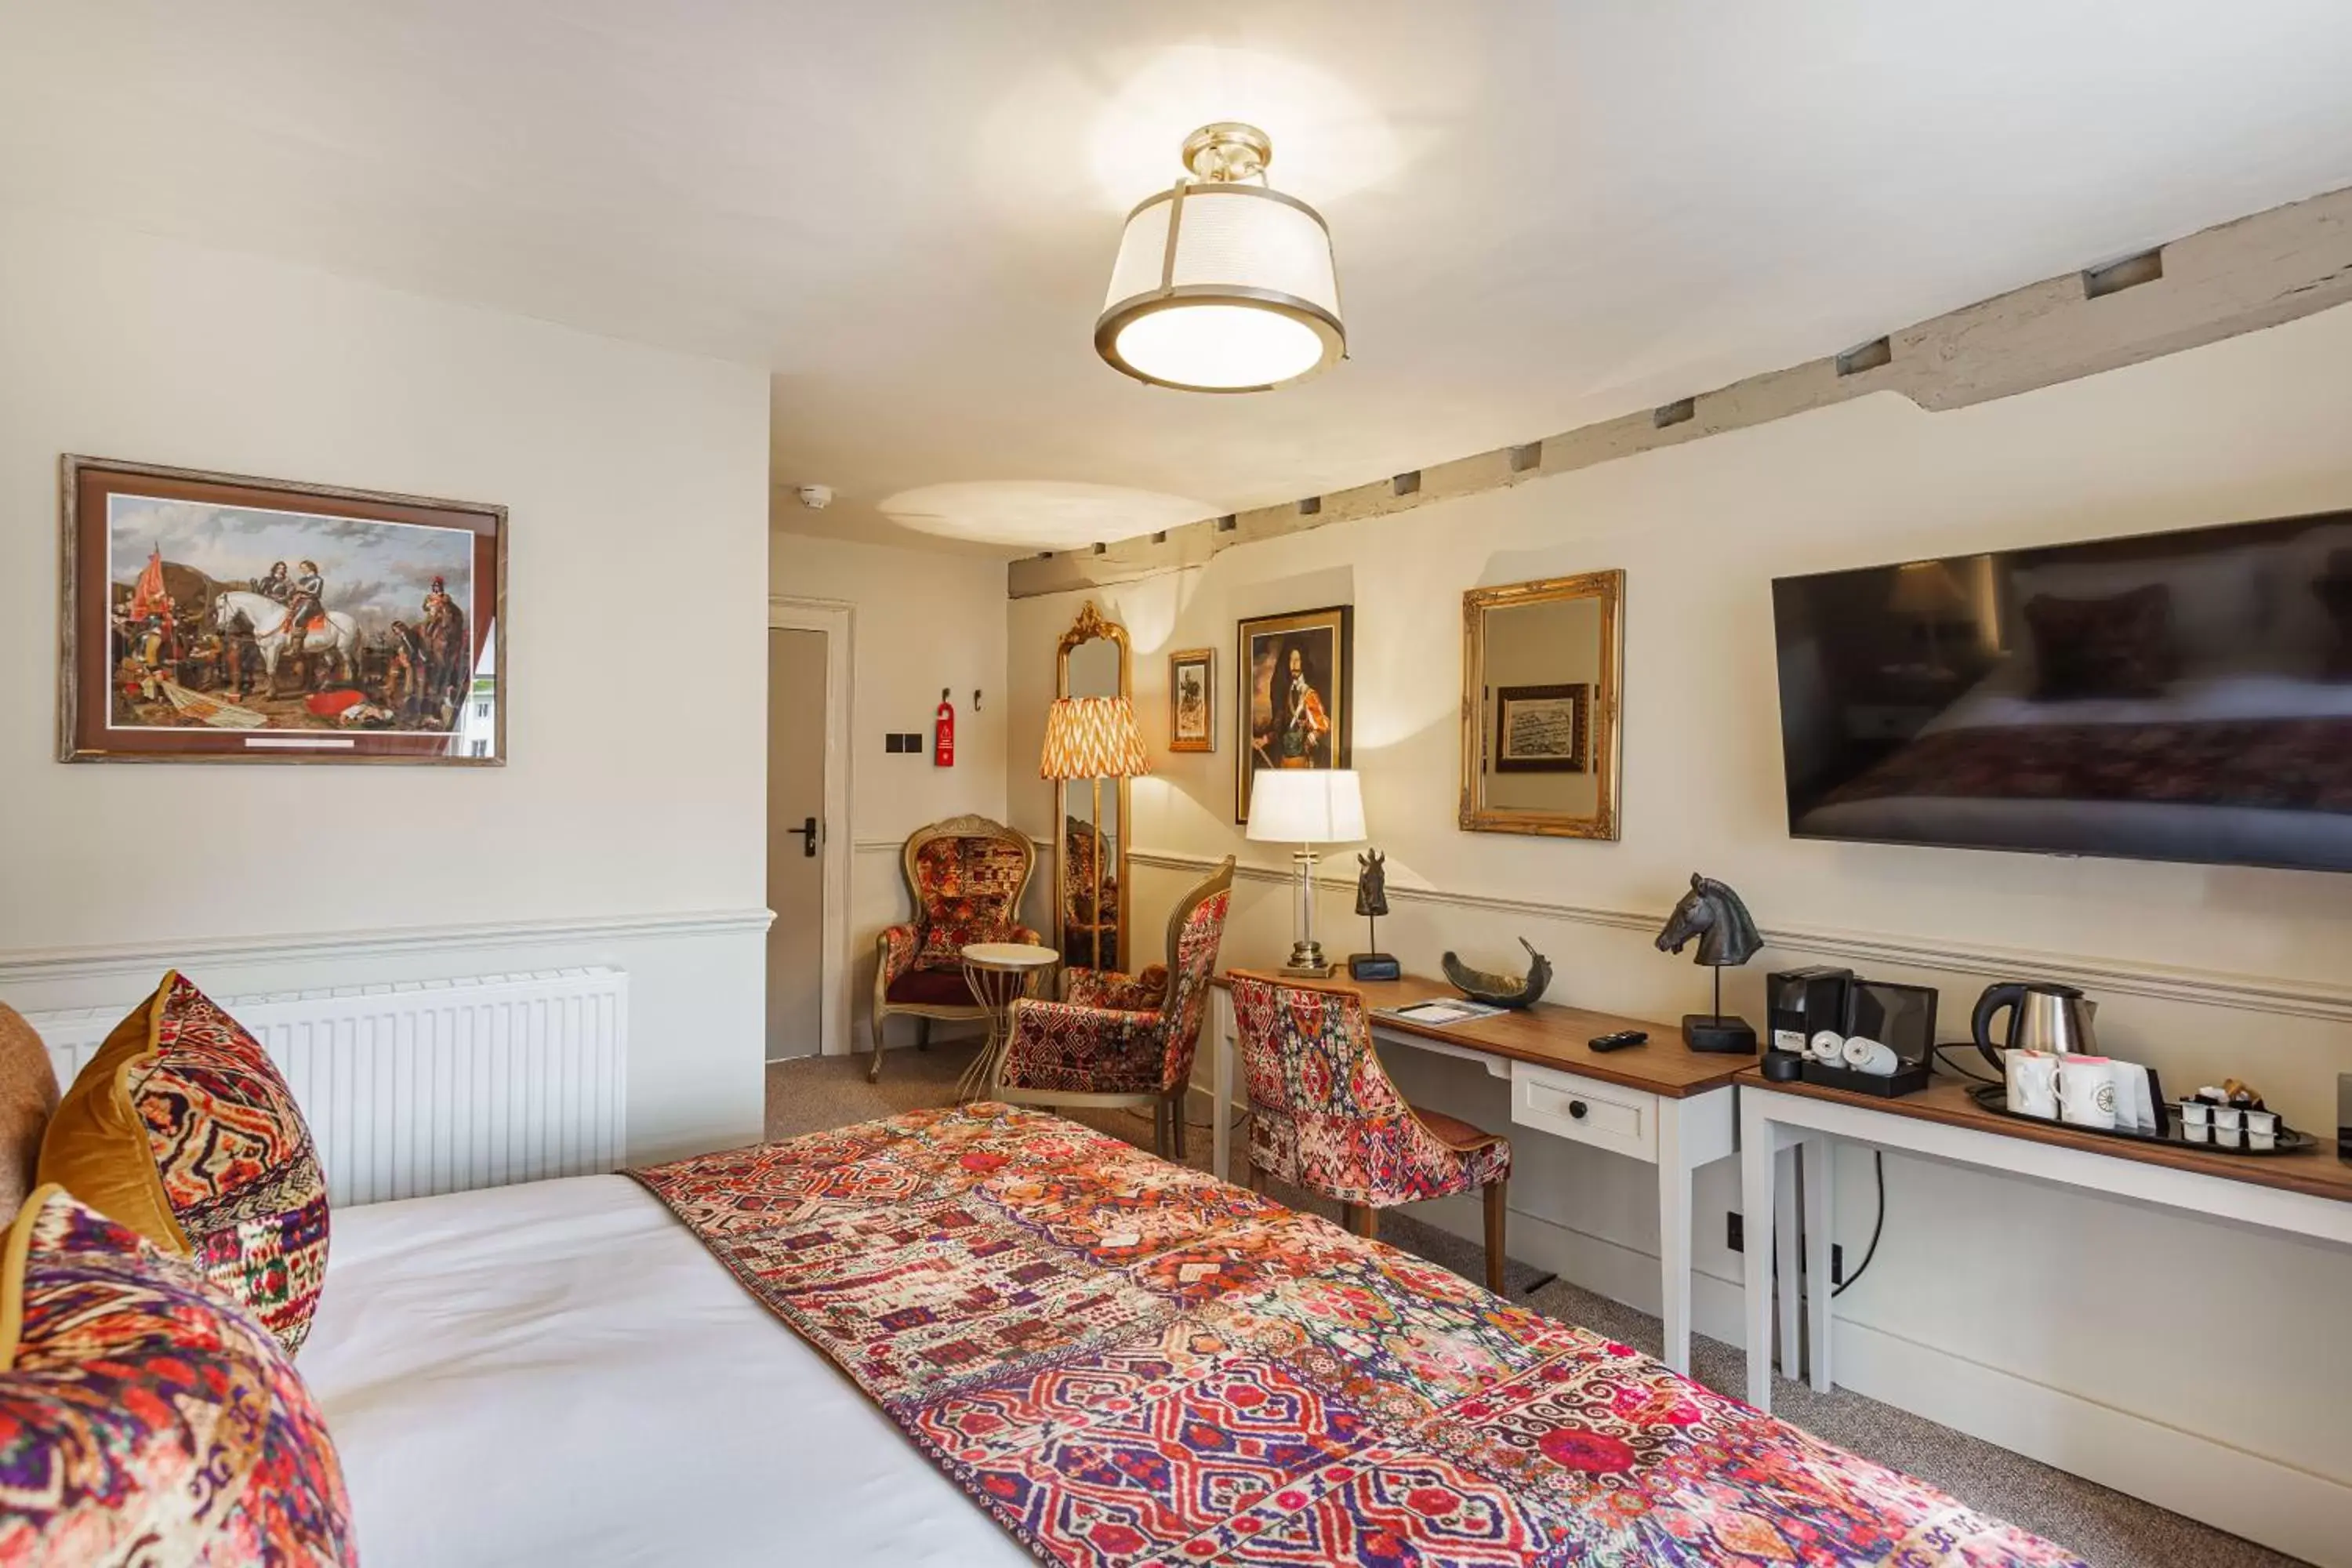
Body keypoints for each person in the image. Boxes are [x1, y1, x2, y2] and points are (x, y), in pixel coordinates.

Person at [1278, 644, 1330, 768]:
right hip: (1285, 760)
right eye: (1291, 659)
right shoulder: (1288, 692)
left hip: (1302, 760)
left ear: (1303, 662)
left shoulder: (1309, 694)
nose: (1294, 664)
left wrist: (1309, 740)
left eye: (1297, 659)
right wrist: (1265, 739)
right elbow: (1282, 726)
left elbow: (1323, 726)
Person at [282, 559, 326, 639]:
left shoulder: (318, 579)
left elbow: (317, 594)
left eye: (304, 568)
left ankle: (297, 647)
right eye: (301, 568)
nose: (302, 570)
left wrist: (305, 590)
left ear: (311, 568)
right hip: (299, 602)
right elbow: (295, 592)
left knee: (298, 619)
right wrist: (291, 588)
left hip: (311, 603)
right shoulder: (301, 580)